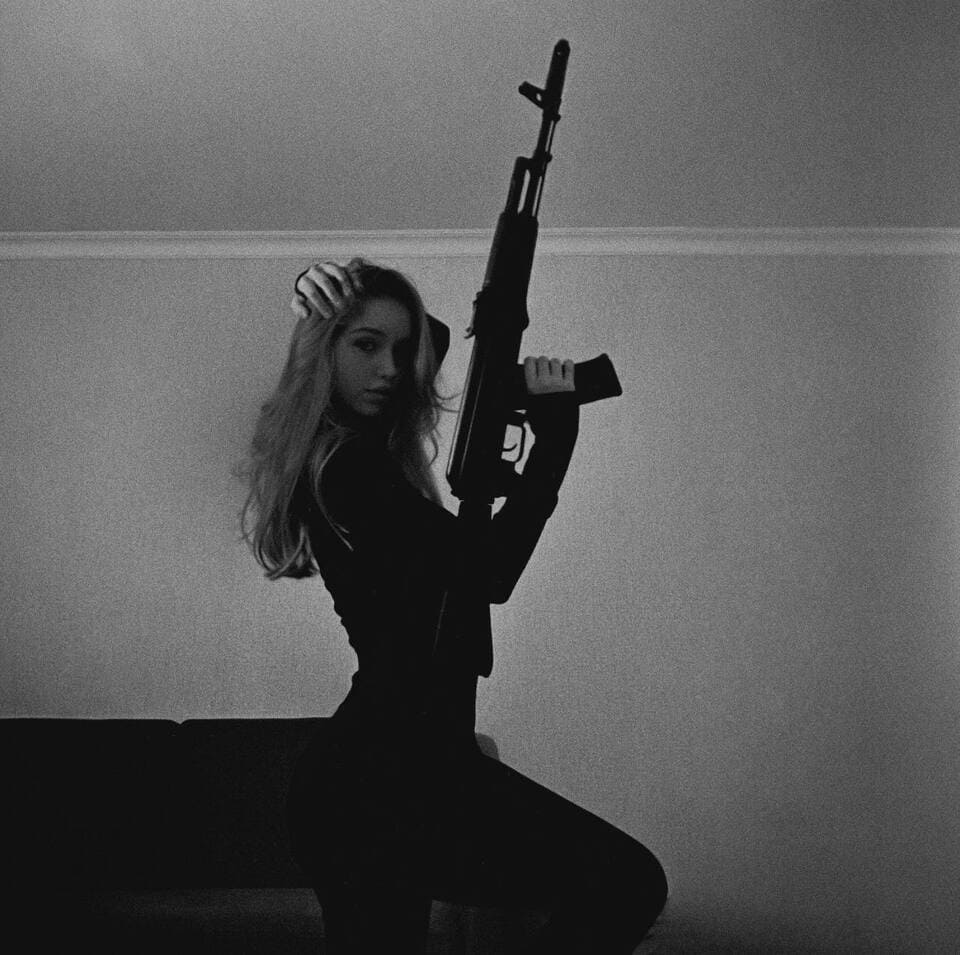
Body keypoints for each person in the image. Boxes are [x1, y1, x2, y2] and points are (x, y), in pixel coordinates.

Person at [240, 258, 667, 953]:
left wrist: (354, 303)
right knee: (627, 880)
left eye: (401, 350)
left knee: (622, 880)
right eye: (364, 344)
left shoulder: (370, 461)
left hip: (405, 770)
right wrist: (553, 444)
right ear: (323, 351)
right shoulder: (346, 467)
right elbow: (489, 571)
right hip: (378, 783)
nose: (390, 368)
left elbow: (433, 336)